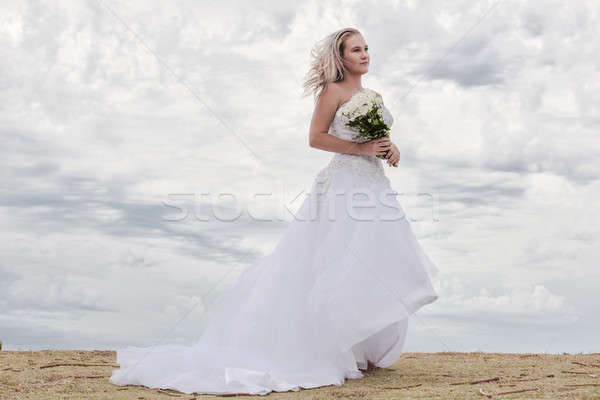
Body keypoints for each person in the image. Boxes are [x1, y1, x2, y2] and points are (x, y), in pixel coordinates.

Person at [109, 27, 440, 396]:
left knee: (378, 259)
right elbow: (316, 138)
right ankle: (327, 346)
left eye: (366, 48)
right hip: (344, 186)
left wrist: (389, 149)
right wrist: (362, 150)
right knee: (337, 260)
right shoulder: (332, 92)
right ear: (341, 57)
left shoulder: (373, 95)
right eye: (355, 50)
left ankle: (363, 346)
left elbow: (375, 138)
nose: (364, 55)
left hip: (374, 185)